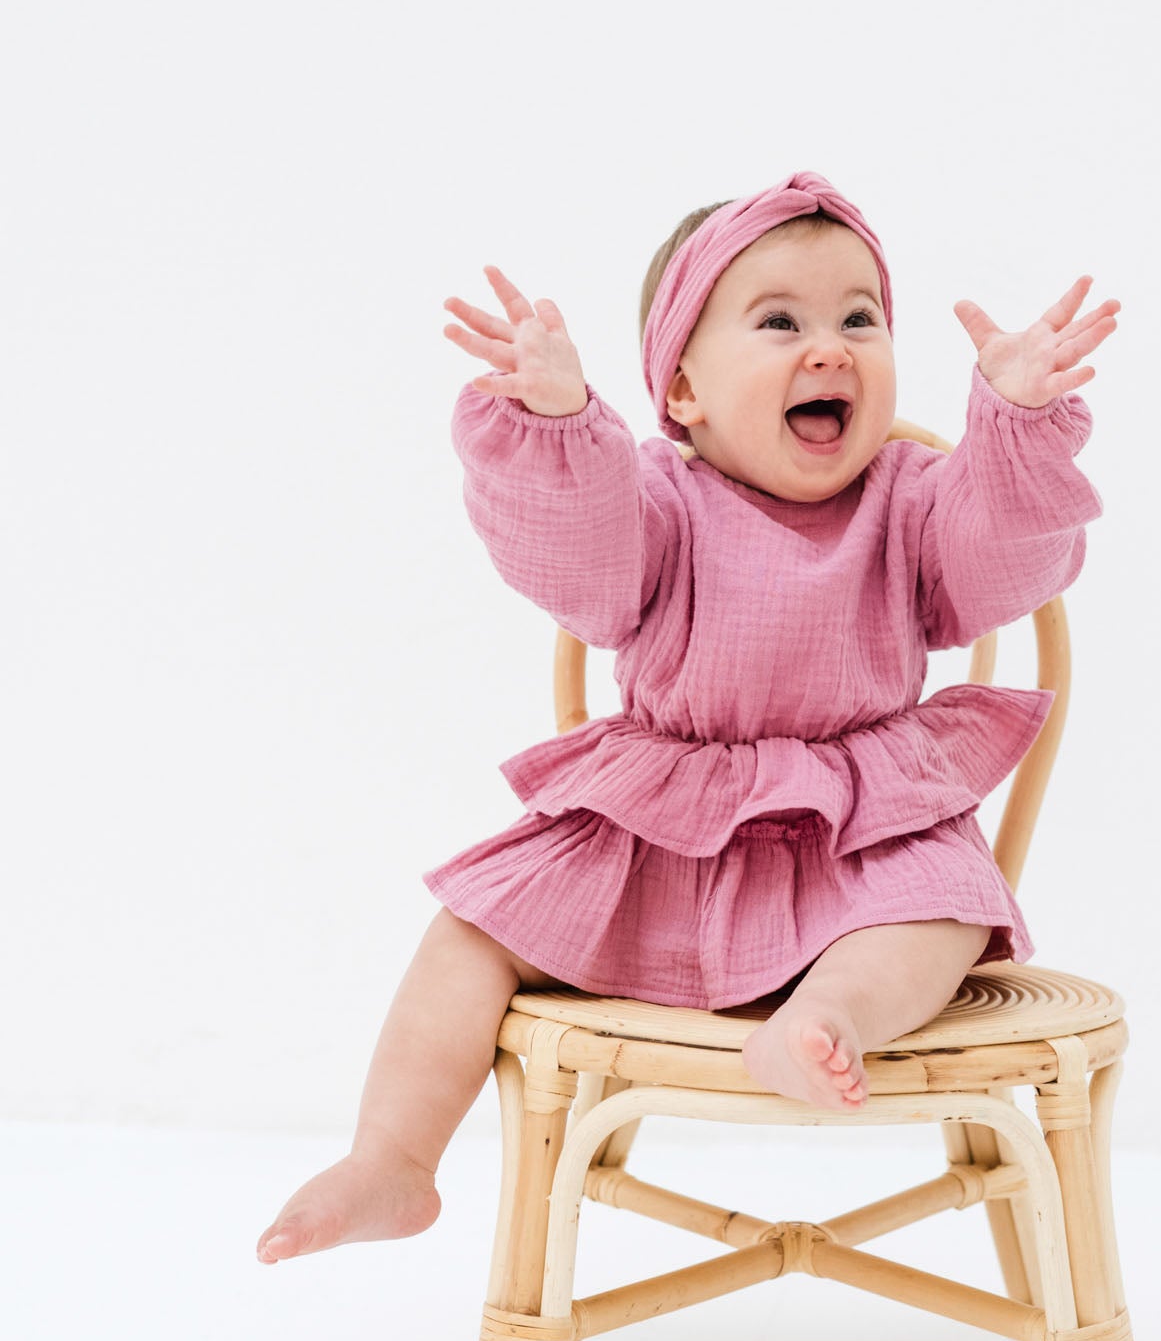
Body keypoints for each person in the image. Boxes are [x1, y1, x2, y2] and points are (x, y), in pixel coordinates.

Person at [256, 170, 1115, 1264]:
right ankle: (390, 1155)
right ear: (684, 391)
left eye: (860, 318)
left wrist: (1017, 428)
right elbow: (582, 558)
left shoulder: (911, 501)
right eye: (779, 322)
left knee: (945, 910)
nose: (830, 348)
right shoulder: (657, 500)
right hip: (664, 836)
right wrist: (558, 427)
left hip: (862, 840)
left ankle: (829, 1017)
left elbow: (1001, 559)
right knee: (470, 930)